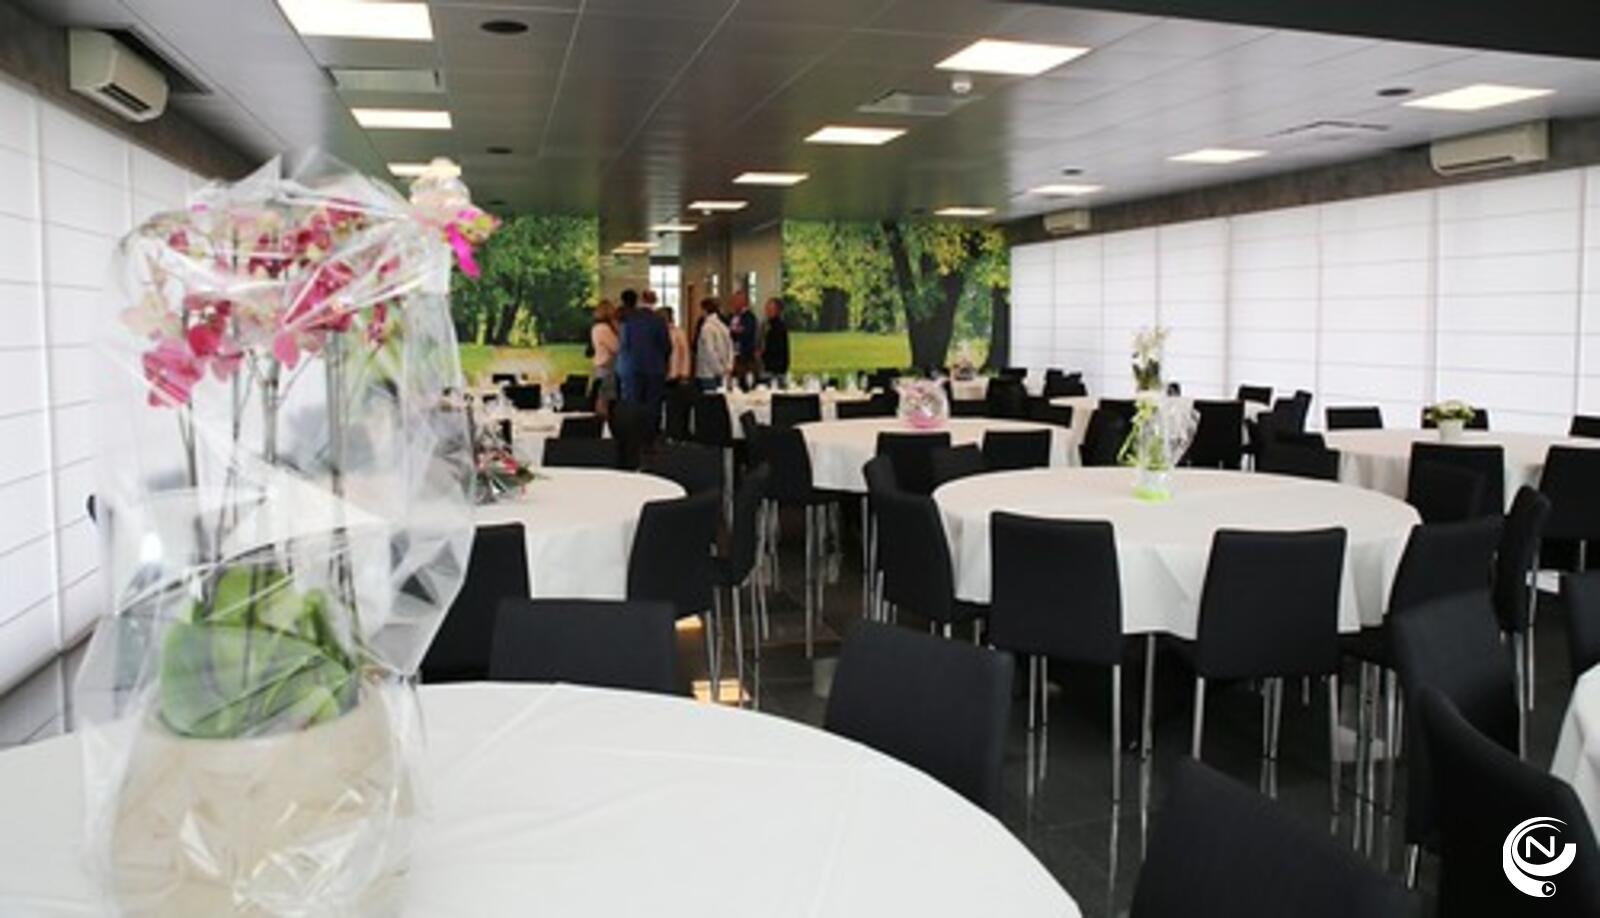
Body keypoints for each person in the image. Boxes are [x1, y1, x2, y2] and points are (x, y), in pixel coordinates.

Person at [618, 288, 670, 431]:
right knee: (653, 405)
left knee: (633, 404)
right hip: (655, 369)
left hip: (632, 368)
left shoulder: (628, 320)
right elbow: (666, 346)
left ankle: (634, 434)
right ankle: (652, 435)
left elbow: (624, 345)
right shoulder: (659, 321)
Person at [588, 299, 619, 418]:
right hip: (607, 366)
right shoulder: (603, 329)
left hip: (601, 366)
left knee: (602, 397)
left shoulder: (596, 328)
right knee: (605, 399)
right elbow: (616, 347)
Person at [694, 297, 733, 390]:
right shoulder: (723, 326)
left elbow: (710, 351)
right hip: (724, 368)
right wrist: (729, 366)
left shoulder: (706, 328)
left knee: (710, 397)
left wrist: (719, 370)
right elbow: (730, 347)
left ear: (704, 310)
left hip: (708, 372)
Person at [727, 287, 758, 382]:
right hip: (732, 356)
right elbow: (727, 333)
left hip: (745, 356)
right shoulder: (730, 316)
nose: (733, 303)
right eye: (733, 300)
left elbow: (746, 333)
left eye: (737, 300)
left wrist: (735, 331)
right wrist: (736, 331)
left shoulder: (749, 317)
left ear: (744, 302)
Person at [759, 296, 790, 380]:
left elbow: (778, 348)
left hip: (776, 368)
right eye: (767, 309)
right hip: (766, 365)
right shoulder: (766, 324)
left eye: (770, 309)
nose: (767, 311)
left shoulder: (779, 327)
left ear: (777, 310)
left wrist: (763, 353)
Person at [660, 305, 691, 382]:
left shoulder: (678, 332)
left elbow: (685, 353)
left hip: (674, 373)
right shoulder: (656, 331)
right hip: (658, 373)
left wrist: (684, 373)